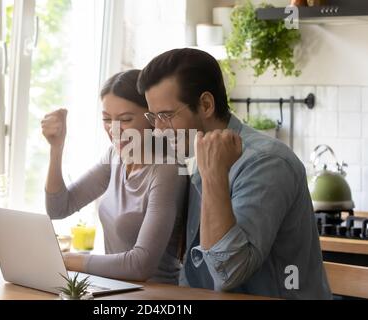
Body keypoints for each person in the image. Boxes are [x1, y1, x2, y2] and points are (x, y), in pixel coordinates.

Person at [137, 48, 331, 299]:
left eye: (166, 116)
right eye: (154, 117)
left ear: (205, 105)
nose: (159, 131)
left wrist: (213, 175)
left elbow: (227, 273)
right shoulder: (193, 154)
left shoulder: (267, 162)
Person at [41, 69, 187, 284]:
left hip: (158, 294)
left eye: (125, 119)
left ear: (152, 118)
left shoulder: (167, 171)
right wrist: (56, 147)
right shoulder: (115, 157)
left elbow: (140, 265)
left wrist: (67, 260)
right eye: (107, 119)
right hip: (116, 288)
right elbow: (59, 208)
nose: (114, 129)